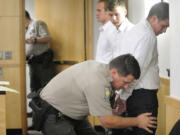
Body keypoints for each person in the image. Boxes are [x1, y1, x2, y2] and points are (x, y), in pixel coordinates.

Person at [39, 54, 157, 135]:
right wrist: (138, 121)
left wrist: (121, 120)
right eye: (125, 82)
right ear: (114, 72)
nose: (126, 87)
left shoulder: (104, 72)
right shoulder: (97, 80)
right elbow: (107, 121)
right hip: (54, 115)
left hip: (73, 115)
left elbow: (104, 101)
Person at [113, 2, 169, 135]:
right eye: (163, 26)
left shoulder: (136, 29)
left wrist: (122, 95)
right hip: (142, 98)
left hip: (133, 95)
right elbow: (137, 71)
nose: (164, 30)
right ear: (154, 18)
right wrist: (124, 97)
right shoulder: (148, 36)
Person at [25, 10, 56, 93]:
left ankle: (46, 106)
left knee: (46, 89)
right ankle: (36, 105)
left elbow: (48, 38)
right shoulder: (25, 29)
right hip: (33, 61)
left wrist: (34, 40)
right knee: (34, 89)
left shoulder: (37, 23)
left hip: (43, 61)